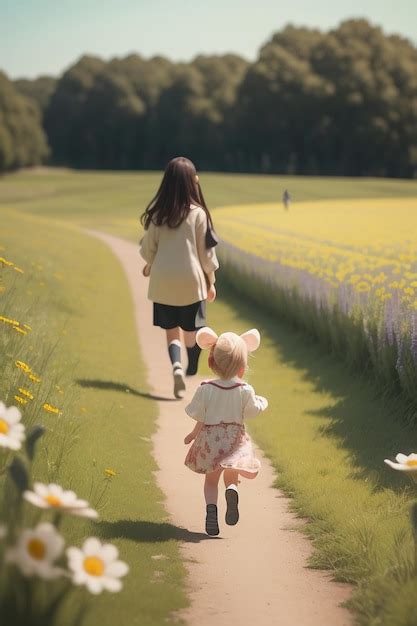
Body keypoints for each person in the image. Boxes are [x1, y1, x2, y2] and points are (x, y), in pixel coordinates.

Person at [140, 157, 219, 399]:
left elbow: (147, 250)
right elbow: (206, 254)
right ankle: (191, 367)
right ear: (192, 182)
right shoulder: (198, 214)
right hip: (191, 281)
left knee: (171, 330)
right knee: (192, 328)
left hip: (163, 281)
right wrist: (211, 281)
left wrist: (150, 266)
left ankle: (175, 365)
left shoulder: (158, 216)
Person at [184, 326, 268, 536]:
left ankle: (211, 511)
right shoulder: (244, 390)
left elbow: (200, 415)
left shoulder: (206, 388)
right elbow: (251, 411)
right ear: (242, 367)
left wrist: (194, 434)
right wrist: (262, 402)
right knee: (231, 476)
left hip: (211, 440)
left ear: (212, 362)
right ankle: (232, 490)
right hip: (235, 441)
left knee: (211, 481)